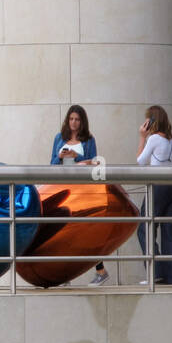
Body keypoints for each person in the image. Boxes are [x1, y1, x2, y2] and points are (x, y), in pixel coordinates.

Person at [49, 105, 108, 283]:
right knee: (64, 232)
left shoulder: (88, 140)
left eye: (77, 120)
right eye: (71, 119)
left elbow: (94, 162)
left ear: (82, 122)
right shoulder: (59, 138)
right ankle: (64, 274)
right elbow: (51, 165)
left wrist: (77, 157)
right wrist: (60, 157)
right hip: (63, 188)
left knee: (84, 230)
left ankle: (101, 271)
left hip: (82, 189)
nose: (74, 123)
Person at [136, 104, 172, 286]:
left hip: (157, 187)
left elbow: (141, 162)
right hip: (171, 188)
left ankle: (156, 272)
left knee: (145, 227)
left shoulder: (154, 139)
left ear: (151, 121)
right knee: (168, 232)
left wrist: (142, 138)